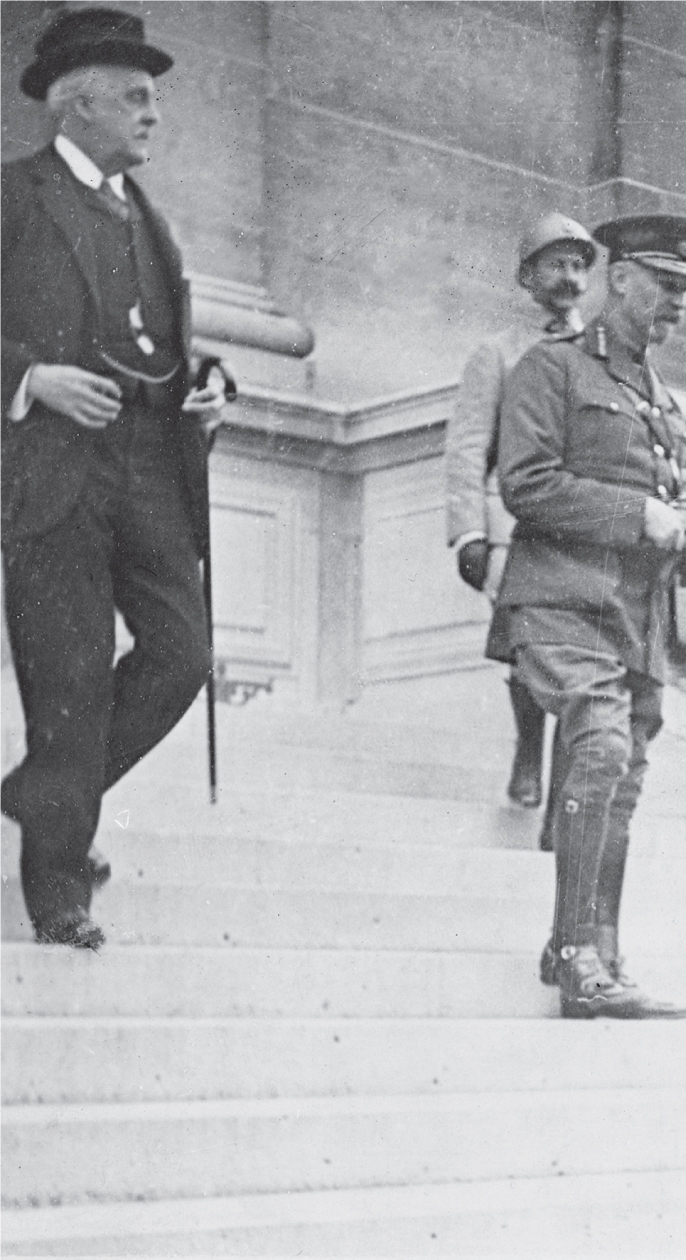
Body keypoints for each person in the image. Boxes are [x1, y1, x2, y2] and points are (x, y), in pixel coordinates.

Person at [1, 9, 227, 950]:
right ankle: (58, 889)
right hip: (53, 474)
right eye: (135, 97)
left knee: (181, 654)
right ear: (76, 101)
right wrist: (27, 377)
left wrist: (207, 386)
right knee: (69, 678)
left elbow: (159, 348)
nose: (153, 115)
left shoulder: (152, 223)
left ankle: (38, 795)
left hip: (147, 473)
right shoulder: (13, 196)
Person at [489, 214, 686, 1019]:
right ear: (617, 279)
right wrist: (637, 515)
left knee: (622, 777)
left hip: (638, 614)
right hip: (560, 598)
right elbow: (525, 484)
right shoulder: (548, 370)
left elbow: (673, 496)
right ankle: (576, 954)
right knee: (599, 748)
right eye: (665, 284)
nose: (678, 304)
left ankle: (598, 952)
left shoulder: (660, 397)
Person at [445, 213, 596, 818]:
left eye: (580, 265)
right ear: (527, 277)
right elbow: (466, 445)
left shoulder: (599, 352)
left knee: (584, 657)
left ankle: (568, 777)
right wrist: (468, 534)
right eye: (556, 264)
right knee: (528, 649)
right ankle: (529, 751)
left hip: (582, 530)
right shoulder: (499, 355)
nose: (571, 277)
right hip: (516, 530)